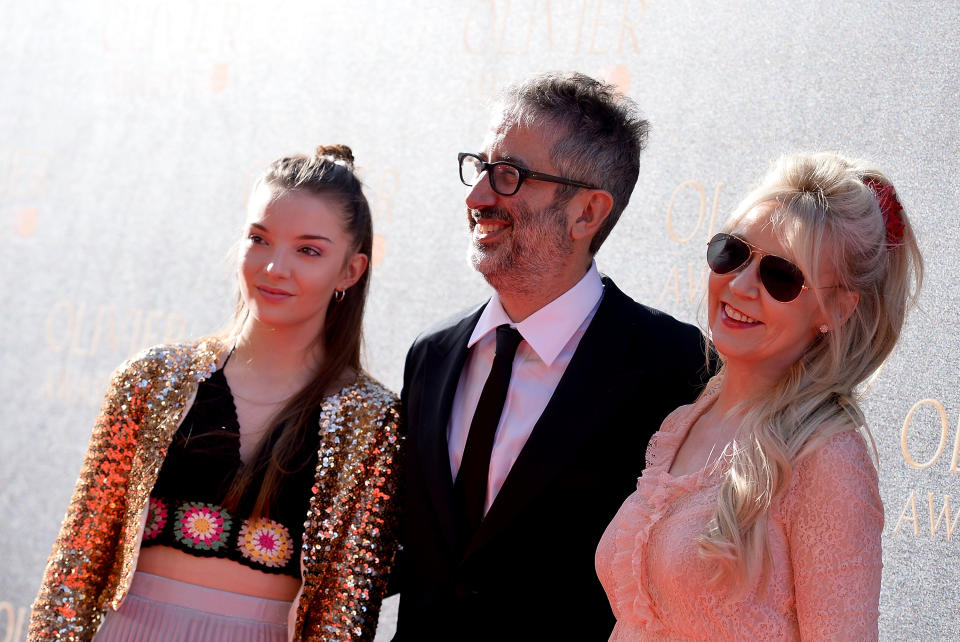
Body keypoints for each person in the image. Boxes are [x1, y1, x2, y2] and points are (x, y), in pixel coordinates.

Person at [29, 145, 402, 642]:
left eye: (308, 250)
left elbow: (344, 608)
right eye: (259, 239)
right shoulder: (151, 379)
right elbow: (75, 566)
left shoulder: (372, 421)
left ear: (350, 271)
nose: (274, 268)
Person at [395, 72, 713, 641]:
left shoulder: (676, 368)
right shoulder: (432, 356)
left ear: (587, 213)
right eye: (479, 169)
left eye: (509, 176)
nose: (477, 198)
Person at [596, 152, 923, 640]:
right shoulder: (684, 422)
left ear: (835, 308)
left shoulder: (826, 460)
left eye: (781, 277)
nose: (742, 285)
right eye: (733, 252)